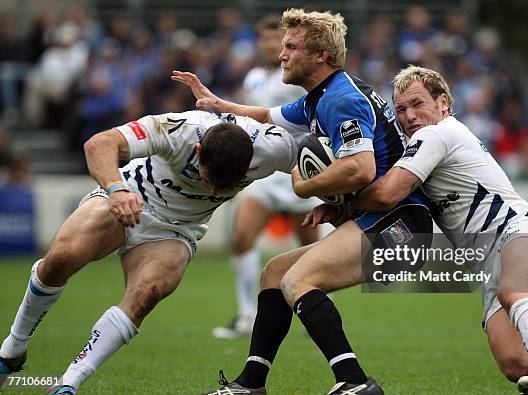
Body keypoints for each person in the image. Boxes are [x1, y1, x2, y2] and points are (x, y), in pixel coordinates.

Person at [173, 8, 432, 395]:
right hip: (382, 217)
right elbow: (266, 114)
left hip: (402, 226)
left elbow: (359, 169)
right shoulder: (321, 96)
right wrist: (218, 104)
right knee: (275, 274)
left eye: (291, 47)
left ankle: (356, 383)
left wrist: (303, 186)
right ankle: (250, 384)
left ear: (320, 56)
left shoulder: (340, 99)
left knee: (299, 279)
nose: (282, 54)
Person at [336, 65, 528, 395]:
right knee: (517, 363)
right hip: (491, 261)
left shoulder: (436, 133)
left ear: (444, 104)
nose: (409, 115)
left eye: (418, 103)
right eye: (401, 109)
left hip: (522, 232)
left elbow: (386, 194)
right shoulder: (425, 146)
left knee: (516, 296)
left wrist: (342, 202)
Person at [0, 106, 298, 394]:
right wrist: (115, 188)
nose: (216, 193)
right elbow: (99, 144)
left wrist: (333, 201)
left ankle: (69, 382)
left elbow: (320, 159)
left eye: (226, 186)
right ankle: (13, 348)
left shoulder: (274, 147)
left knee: (147, 293)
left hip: (176, 229)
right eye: (210, 180)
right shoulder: (177, 129)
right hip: (127, 196)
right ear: (197, 152)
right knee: (62, 258)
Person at [212, 15, 321, 339]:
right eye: (266, 40)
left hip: (297, 167)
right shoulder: (255, 77)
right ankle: (248, 314)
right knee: (241, 237)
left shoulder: (298, 76)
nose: (272, 45)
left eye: (278, 40)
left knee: (310, 250)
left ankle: (315, 308)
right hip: (263, 172)